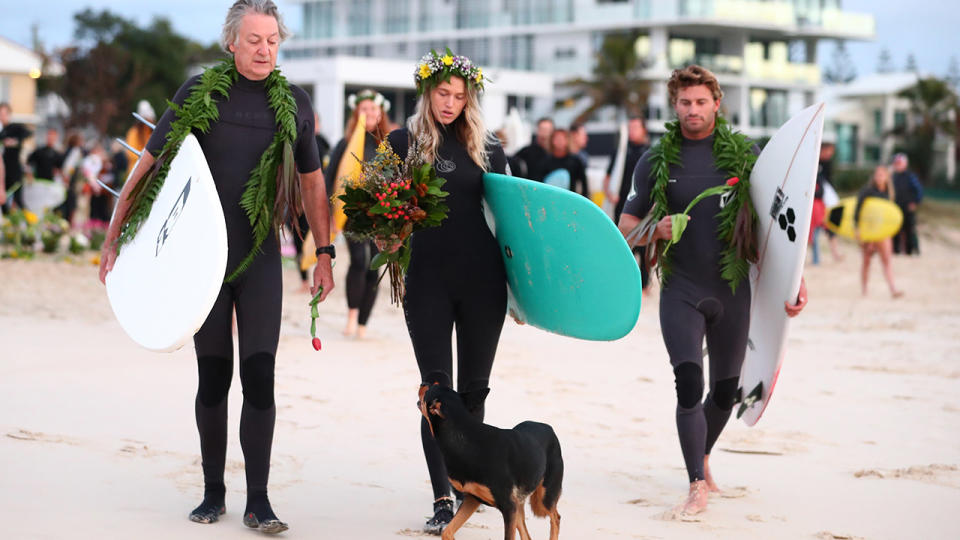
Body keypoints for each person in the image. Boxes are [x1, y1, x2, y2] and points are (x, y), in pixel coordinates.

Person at [98, 0, 334, 533]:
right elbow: (152, 161)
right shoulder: (200, 92)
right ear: (231, 41)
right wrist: (115, 233)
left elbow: (314, 181)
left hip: (261, 260)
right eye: (254, 40)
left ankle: (259, 500)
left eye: (272, 40)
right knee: (213, 376)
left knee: (261, 377)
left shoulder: (293, 103)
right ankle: (211, 492)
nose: (264, 49)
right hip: (201, 261)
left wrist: (324, 253)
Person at [617, 65, 808, 515]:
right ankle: (696, 482)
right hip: (681, 289)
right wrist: (655, 229)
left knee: (725, 392)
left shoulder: (745, 156)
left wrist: (797, 280)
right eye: (685, 102)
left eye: (701, 102)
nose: (693, 110)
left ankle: (701, 453)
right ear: (675, 105)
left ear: (717, 104)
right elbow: (624, 229)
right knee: (688, 384)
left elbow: (774, 231)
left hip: (732, 289)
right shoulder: (655, 159)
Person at [386, 49, 508, 535]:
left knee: (474, 395)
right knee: (437, 393)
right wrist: (386, 233)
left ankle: (466, 491)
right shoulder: (402, 143)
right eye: (443, 93)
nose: (451, 103)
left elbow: (514, 225)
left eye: (460, 95)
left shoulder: (490, 148)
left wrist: (525, 295)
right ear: (427, 92)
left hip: (484, 283)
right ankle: (441, 497)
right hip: (427, 281)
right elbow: (380, 216)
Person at [326, 89, 391, 337]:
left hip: (382, 214)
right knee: (359, 261)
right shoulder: (346, 143)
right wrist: (332, 213)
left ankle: (363, 323)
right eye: (364, 109)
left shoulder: (388, 143)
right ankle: (352, 315)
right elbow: (330, 177)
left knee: (375, 265)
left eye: (373, 109)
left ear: (380, 112)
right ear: (357, 113)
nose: (369, 113)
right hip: (352, 212)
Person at [604, 115, 652, 292]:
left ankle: (645, 286)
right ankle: (626, 283)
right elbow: (608, 176)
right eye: (630, 128)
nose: (632, 132)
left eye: (635, 128)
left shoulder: (650, 152)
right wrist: (609, 193)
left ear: (643, 130)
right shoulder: (621, 151)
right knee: (624, 245)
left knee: (645, 245)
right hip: (622, 204)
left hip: (644, 207)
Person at [856, 166, 903, 298]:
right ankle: (864, 290)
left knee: (887, 261)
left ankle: (893, 289)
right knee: (866, 261)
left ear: (887, 177)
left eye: (882, 175)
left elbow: (890, 216)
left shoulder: (889, 193)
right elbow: (858, 210)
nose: (879, 177)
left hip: (882, 233)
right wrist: (858, 229)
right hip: (869, 232)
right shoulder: (867, 191)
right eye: (877, 175)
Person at [809, 140, 843, 265]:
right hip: (818, 201)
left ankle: (834, 253)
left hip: (825, 199)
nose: (830, 154)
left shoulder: (827, 164)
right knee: (814, 231)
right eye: (828, 151)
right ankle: (817, 257)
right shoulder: (814, 161)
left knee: (830, 227)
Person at [0, 102, 32, 210]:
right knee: (3, 200)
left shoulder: (14, 127)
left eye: (3, 114)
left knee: (18, 199)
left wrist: (15, 141)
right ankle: (8, 222)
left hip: (14, 169)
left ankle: (27, 221)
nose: (1, 117)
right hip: (3, 172)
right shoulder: (1, 131)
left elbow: (28, 133)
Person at [890, 153, 923, 255]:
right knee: (895, 229)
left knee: (909, 229)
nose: (897, 165)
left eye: (899, 163)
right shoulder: (892, 176)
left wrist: (915, 202)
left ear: (905, 164)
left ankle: (911, 250)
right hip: (895, 207)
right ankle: (896, 250)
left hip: (908, 207)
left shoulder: (910, 176)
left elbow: (919, 191)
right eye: (896, 163)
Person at [540, 128, 589, 196]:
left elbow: (584, 184)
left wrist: (584, 200)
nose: (560, 141)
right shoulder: (545, 161)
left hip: (570, 199)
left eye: (562, 139)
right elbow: (539, 182)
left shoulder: (575, 161)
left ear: (567, 141)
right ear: (552, 141)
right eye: (557, 139)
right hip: (550, 198)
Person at [56, 131, 85, 224]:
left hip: (65, 182)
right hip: (70, 182)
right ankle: (68, 224)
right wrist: (67, 179)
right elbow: (69, 167)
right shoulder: (75, 151)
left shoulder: (67, 150)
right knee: (71, 205)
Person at [124, 99, 156, 179]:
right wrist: (147, 159)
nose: (149, 122)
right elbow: (131, 153)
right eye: (147, 120)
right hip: (135, 171)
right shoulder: (133, 132)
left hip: (151, 170)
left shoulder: (152, 132)